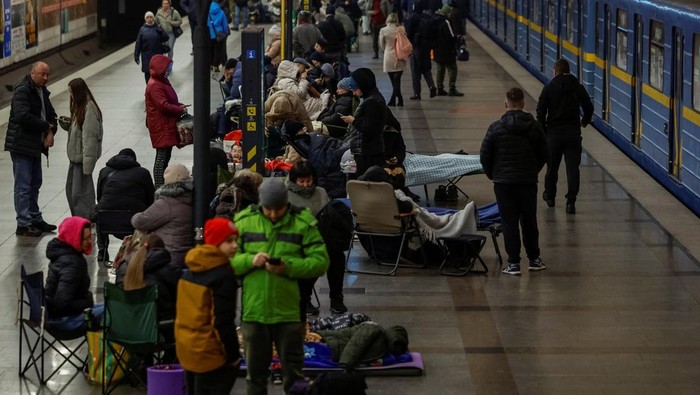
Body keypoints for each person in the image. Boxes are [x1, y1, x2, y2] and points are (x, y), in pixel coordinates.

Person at [232, 179, 329, 394]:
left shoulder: (303, 224)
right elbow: (228, 261)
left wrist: (289, 267)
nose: (274, 214)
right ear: (260, 204)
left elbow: (321, 262)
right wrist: (250, 261)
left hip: (289, 315)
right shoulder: (244, 222)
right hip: (254, 314)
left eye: (279, 209)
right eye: (269, 209)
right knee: (255, 378)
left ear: (287, 204)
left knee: (294, 377)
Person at [480, 87, 549, 275]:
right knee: (529, 221)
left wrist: (492, 174)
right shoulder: (535, 126)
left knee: (509, 222)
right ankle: (534, 259)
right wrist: (533, 170)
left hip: (503, 183)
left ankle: (514, 263)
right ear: (523, 104)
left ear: (505, 104)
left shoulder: (495, 128)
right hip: (527, 182)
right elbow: (545, 153)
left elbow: (485, 156)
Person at [176, 218, 241, 395]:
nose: (235, 245)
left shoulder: (189, 270)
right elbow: (222, 322)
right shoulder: (222, 276)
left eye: (236, 240)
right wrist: (233, 355)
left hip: (187, 349)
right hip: (210, 354)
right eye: (228, 241)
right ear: (215, 242)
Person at [286, 161, 348, 315]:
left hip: (322, 237)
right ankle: (303, 298)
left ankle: (336, 298)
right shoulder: (285, 196)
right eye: (302, 181)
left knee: (336, 256)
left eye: (309, 180)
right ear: (294, 180)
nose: (306, 185)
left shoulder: (320, 192)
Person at [5, 61, 58, 237]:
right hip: (22, 144)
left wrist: (51, 131)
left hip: (35, 144)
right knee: (24, 185)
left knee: (35, 183)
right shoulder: (23, 90)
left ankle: (34, 217)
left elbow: (51, 115)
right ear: (33, 73)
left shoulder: (41, 90)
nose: (46, 78)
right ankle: (23, 223)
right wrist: (46, 127)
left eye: (48, 75)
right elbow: (22, 116)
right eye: (43, 74)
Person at [536, 58, 594, 214]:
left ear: (555, 72)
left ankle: (550, 196)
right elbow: (589, 106)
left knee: (552, 168)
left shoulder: (548, 88)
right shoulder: (577, 87)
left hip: (553, 134)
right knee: (572, 169)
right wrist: (585, 121)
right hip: (573, 134)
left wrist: (544, 131)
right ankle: (570, 202)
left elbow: (540, 112)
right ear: (569, 71)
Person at [95, 148, 155, 263]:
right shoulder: (143, 173)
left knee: (100, 212)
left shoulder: (104, 171)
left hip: (108, 222)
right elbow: (150, 199)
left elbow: (100, 196)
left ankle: (102, 251)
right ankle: (141, 250)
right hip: (133, 222)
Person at [44, 216, 104, 331]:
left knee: (110, 307)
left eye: (89, 237)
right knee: (113, 312)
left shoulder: (61, 254)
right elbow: (61, 304)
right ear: (74, 238)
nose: (89, 242)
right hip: (62, 321)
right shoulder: (72, 263)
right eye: (85, 239)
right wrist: (87, 301)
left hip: (52, 316)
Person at [131, 163, 194, 270]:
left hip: (168, 257)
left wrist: (135, 215)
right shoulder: (191, 196)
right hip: (187, 254)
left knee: (131, 262)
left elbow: (139, 221)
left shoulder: (167, 202)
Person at [145, 54, 187, 188]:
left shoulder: (160, 81)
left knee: (165, 155)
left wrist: (178, 105)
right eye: (167, 68)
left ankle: (161, 184)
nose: (169, 70)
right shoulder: (155, 85)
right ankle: (158, 186)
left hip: (164, 123)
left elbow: (167, 101)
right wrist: (180, 110)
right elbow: (163, 106)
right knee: (162, 157)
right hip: (161, 125)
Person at [65, 78, 103, 220]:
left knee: (80, 194)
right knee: (71, 192)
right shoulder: (79, 107)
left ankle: (85, 219)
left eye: (72, 93)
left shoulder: (89, 109)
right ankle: (79, 219)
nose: (71, 96)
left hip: (82, 160)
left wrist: (87, 166)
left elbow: (90, 138)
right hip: (75, 159)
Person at [340, 68, 387, 176]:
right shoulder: (373, 97)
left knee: (366, 181)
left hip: (368, 151)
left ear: (363, 85)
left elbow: (370, 128)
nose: (354, 93)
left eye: (355, 89)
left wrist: (353, 121)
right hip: (370, 149)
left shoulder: (372, 102)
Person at [121, 233, 179, 320]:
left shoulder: (124, 269)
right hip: (162, 324)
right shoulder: (171, 271)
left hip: (129, 322)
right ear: (161, 249)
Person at [405, 1, 437, 100]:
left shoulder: (413, 17)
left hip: (416, 47)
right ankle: (432, 86)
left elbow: (408, 32)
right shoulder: (428, 18)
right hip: (427, 47)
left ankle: (417, 93)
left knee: (415, 70)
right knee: (426, 68)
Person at [433, 5, 464, 97]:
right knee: (452, 68)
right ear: (447, 13)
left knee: (440, 69)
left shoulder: (435, 20)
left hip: (437, 48)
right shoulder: (446, 21)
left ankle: (440, 88)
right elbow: (451, 36)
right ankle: (452, 88)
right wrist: (456, 40)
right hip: (447, 49)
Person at [378, 13, 406, 106]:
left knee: (393, 81)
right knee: (397, 80)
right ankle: (398, 99)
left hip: (389, 56)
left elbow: (381, 44)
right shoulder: (401, 29)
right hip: (400, 57)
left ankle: (394, 100)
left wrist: (385, 49)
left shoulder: (383, 30)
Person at [135, 11, 169, 83]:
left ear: (153, 18)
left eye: (151, 17)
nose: (149, 19)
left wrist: (161, 31)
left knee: (157, 73)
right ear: (145, 19)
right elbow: (138, 43)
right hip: (146, 56)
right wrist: (136, 55)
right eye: (147, 17)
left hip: (157, 55)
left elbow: (166, 38)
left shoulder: (158, 28)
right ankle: (149, 89)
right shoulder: (142, 29)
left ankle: (156, 89)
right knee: (147, 73)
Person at [208, 0, 230, 72]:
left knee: (211, 50)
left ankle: (210, 64)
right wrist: (226, 32)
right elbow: (225, 24)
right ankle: (215, 66)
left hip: (210, 35)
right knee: (218, 51)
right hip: (219, 34)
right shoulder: (221, 12)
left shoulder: (208, 12)